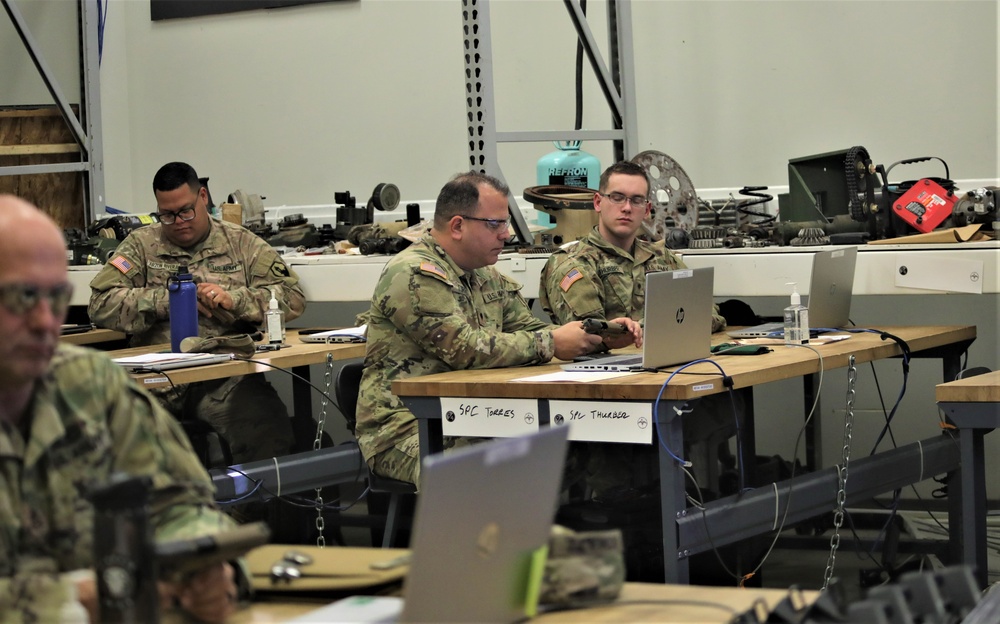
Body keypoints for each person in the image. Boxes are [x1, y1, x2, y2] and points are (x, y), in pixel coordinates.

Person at [0, 194, 240, 623]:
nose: (44, 321)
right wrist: (70, 600)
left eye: (55, 297)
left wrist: (202, 564)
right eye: (21, 297)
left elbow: (178, 505)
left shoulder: (91, 386)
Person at [355, 172, 642, 486]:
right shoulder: (412, 273)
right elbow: (463, 348)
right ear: (457, 226)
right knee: (482, 470)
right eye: (496, 224)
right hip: (405, 427)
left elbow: (529, 328)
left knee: (585, 450)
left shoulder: (485, 276)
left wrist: (604, 336)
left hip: (475, 415)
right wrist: (551, 342)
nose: (506, 235)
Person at [538, 161, 738, 495]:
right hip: (604, 400)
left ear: (647, 208)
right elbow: (591, 336)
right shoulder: (572, 262)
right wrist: (645, 330)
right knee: (619, 499)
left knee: (729, 403)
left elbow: (710, 314)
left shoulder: (661, 258)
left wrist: (642, 328)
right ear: (598, 203)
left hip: (661, 384)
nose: (627, 207)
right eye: (617, 197)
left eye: (636, 200)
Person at [88, 162, 306, 465]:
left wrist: (235, 300)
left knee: (266, 432)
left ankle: (247, 512)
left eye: (185, 211)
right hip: (154, 379)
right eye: (166, 215)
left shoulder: (241, 243)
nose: (177, 221)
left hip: (222, 380)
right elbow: (100, 304)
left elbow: (292, 297)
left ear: (203, 197)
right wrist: (168, 301)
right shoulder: (141, 245)